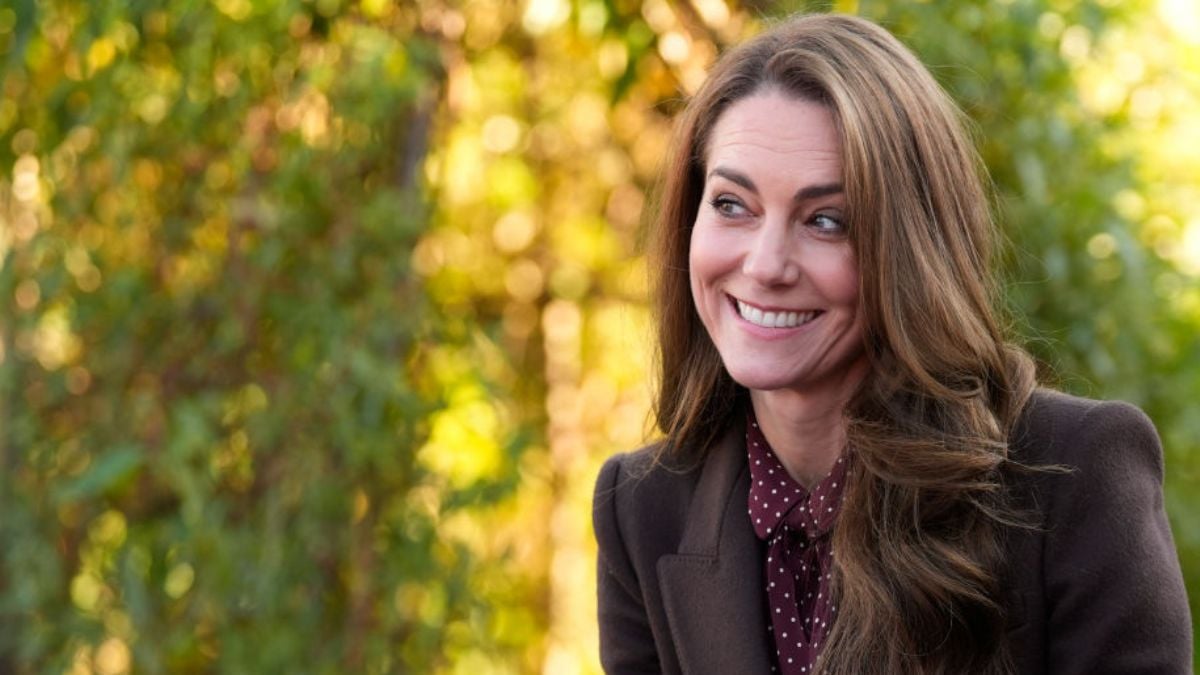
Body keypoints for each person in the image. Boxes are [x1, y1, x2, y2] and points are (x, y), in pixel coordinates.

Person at [592, 13, 1192, 675]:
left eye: (826, 220)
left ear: (910, 249)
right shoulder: (641, 509)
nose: (765, 265)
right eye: (733, 204)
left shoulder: (1075, 475)